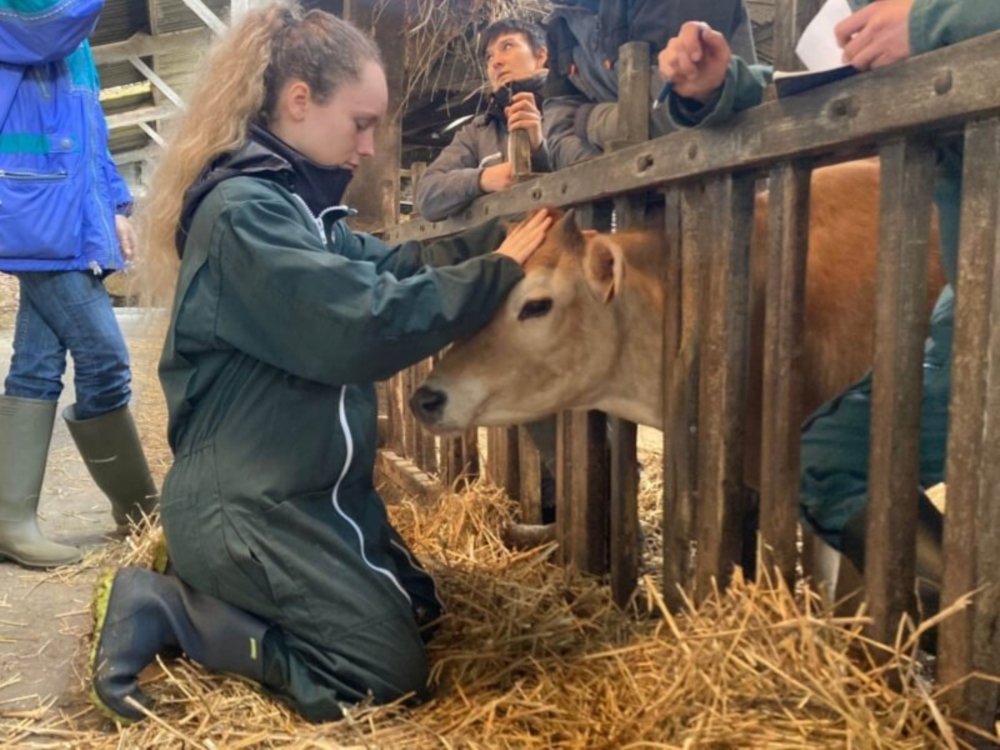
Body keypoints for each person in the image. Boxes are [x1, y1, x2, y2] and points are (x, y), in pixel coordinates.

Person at [88, 3, 554, 725]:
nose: (369, 146)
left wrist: (506, 233)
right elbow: (358, 325)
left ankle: (233, 591)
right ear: (299, 102)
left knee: (421, 610)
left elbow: (398, 266)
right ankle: (175, 611)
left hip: (306, 495)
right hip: (246, 504)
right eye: (361, 122)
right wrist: (494, 273)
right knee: (379, 675)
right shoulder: (245, 214)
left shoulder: (298, 215)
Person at [658, 1, 1000, 616]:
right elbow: (856, 89)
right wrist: (724, 87)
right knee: (836, 458)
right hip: (975, 313)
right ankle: (974, 637)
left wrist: (932, 27)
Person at [0, 0, 159, 569]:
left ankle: (11, 519)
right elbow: (51, 25)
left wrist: (115, 204)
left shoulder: (76, 40)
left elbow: (91, 131)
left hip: (62, 214)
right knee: (106, 357)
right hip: (37, 213)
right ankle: (140, 509)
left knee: (37, 364)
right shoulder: (28, 15)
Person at [542, 0, 757, 170]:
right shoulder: (559, 26)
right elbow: (558, 141)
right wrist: (617, 174)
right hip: (638, 203)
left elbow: (683, 109)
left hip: (728, 182)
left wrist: (587, 119)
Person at [415, 18, 550, 222]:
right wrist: (482, 178)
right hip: (499, 251)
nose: (495, 62)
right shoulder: (478, 130)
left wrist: (539, 151)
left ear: (540, 56)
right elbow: (427, 196)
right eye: (489, 56)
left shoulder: (567, 107)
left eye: (507, 46)